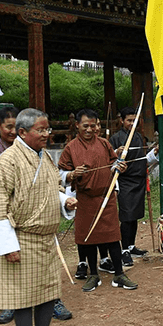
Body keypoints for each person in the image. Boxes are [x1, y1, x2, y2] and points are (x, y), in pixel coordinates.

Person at [0, 108, 76, 326]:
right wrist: (8, 246)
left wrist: (64, 200)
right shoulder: (8, 160)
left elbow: (53, 188)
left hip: (46, 238)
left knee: (48, 292)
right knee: (23, 297)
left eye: (47, 129)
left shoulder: (44, 158)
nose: (47, 134)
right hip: (21, 238)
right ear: (22, 133)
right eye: (41, 130)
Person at [59, 108, 137, 292]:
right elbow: (60, 173)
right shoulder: (70, 148)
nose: (89, 129)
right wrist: (72, 174)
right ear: (77, 125)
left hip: (106, 197)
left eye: (92, 126)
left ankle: (119, 274)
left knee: (112, 236)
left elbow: (113, 164)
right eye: (85, 126)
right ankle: (93, 274)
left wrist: (119, 167)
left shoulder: (104, 143)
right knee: (89, 238)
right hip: (85, 199)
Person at [110, 106, 159, 263]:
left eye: (134, 120)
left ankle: (131, 246)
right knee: (126, 216)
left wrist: (154, 154)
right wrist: (117, 152)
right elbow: (109, 161)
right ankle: (123, 250)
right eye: (129, 120)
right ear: (122, 121)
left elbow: (143, 159)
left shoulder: (139, 137)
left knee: (135, 215)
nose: (132, 123)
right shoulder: (116, 138)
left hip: (138, 181)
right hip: (125, 181)